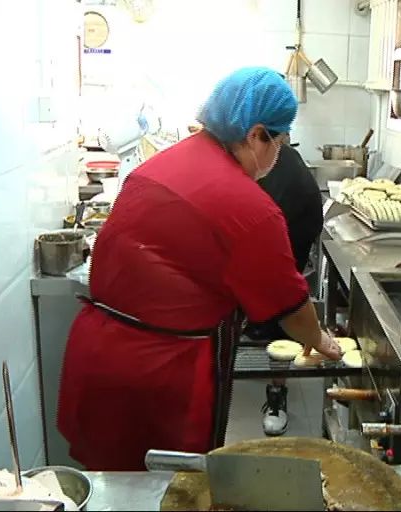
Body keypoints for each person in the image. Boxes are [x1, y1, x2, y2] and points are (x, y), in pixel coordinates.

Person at [57, 67, 341, 471]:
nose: (280, 151)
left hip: (98, 353)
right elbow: (289, 305)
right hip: (159, 376)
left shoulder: (164, 162)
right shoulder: (250, 208)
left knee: (113, 490)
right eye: (279, 139)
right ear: (256, 134)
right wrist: (320, 339)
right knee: (171, 490)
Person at [244, 142, 323, 436]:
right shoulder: (235, 155)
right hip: (256, 230)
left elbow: (284, 283)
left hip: (290, 231)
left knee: (278, 307)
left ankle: (277, 396)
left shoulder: (286, 172)